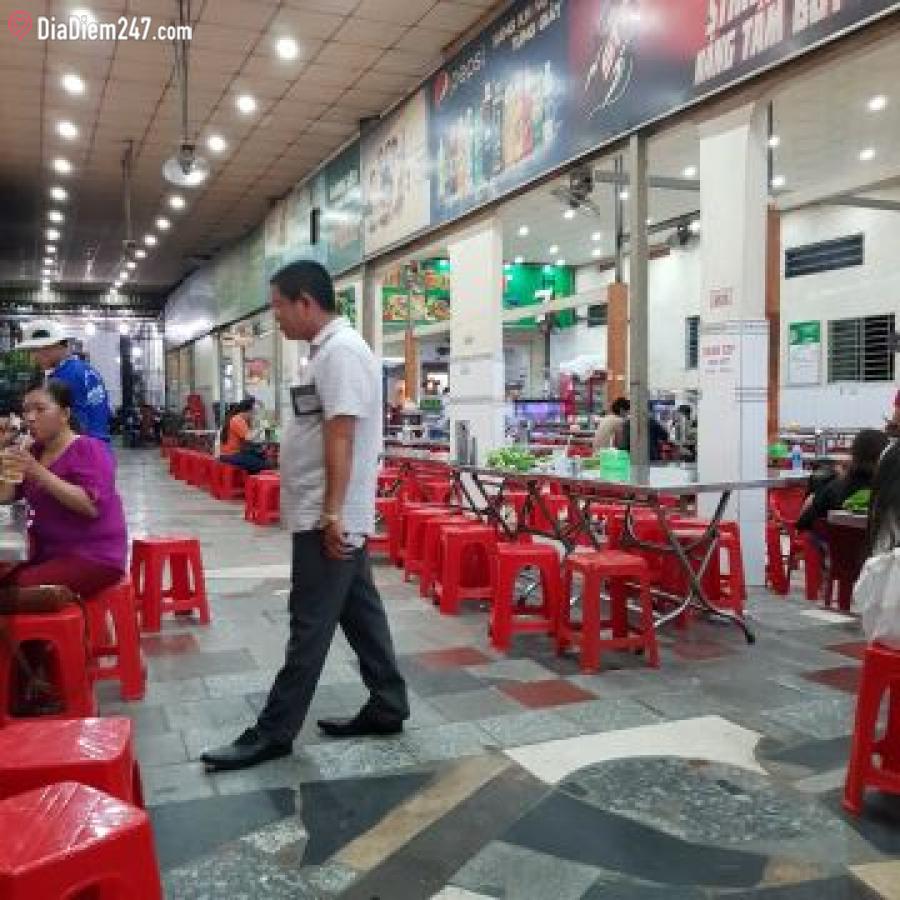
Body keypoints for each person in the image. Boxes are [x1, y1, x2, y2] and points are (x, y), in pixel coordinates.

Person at [202, 261, 409, 772]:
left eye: (278, 306)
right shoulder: (323, 353)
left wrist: (333, 511)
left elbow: (342, 435)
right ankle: (388, 704)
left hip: (328, 515)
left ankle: (273, 732)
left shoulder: (342, 353)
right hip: (326, 510)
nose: (275, 317)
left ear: (305, 302)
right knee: (360, 611)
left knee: (309, 623)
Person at [0, 380, 127, 597]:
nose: (30, 418)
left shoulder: (89, 449)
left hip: (92, 556)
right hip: (46, 550)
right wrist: (8, 466)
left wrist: (37, 471)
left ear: (65, 414)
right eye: (26, 411)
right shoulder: (34, 451)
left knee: (15, 587)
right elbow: (5, 501)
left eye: (40, 409)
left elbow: (90, 506)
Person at [16, 320, 112, 443]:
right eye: (32, 351)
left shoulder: (61, 377)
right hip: (98, 443)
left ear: (59, 346)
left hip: (79, 446)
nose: (34, 357)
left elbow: (66, 422)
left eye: (39, 350)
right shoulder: (86, 370)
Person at [797, 429, 889, 533]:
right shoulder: (891, 494)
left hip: (834, 543)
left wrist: (812, 498)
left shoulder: (833, 489)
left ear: (853, 454)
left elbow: (802, 524)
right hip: (878, 542)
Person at [218, 397, 272, 475]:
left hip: (231, 454)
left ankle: (250, 478)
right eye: (254, 413)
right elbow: (249, 437)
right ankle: (252, 479)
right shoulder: (237, 420)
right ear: (248, 411)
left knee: (260, 456)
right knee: (265, 465)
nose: (254, 415)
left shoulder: (237, 419)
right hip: (230, 455)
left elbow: (249, 439)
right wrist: (262, 427)